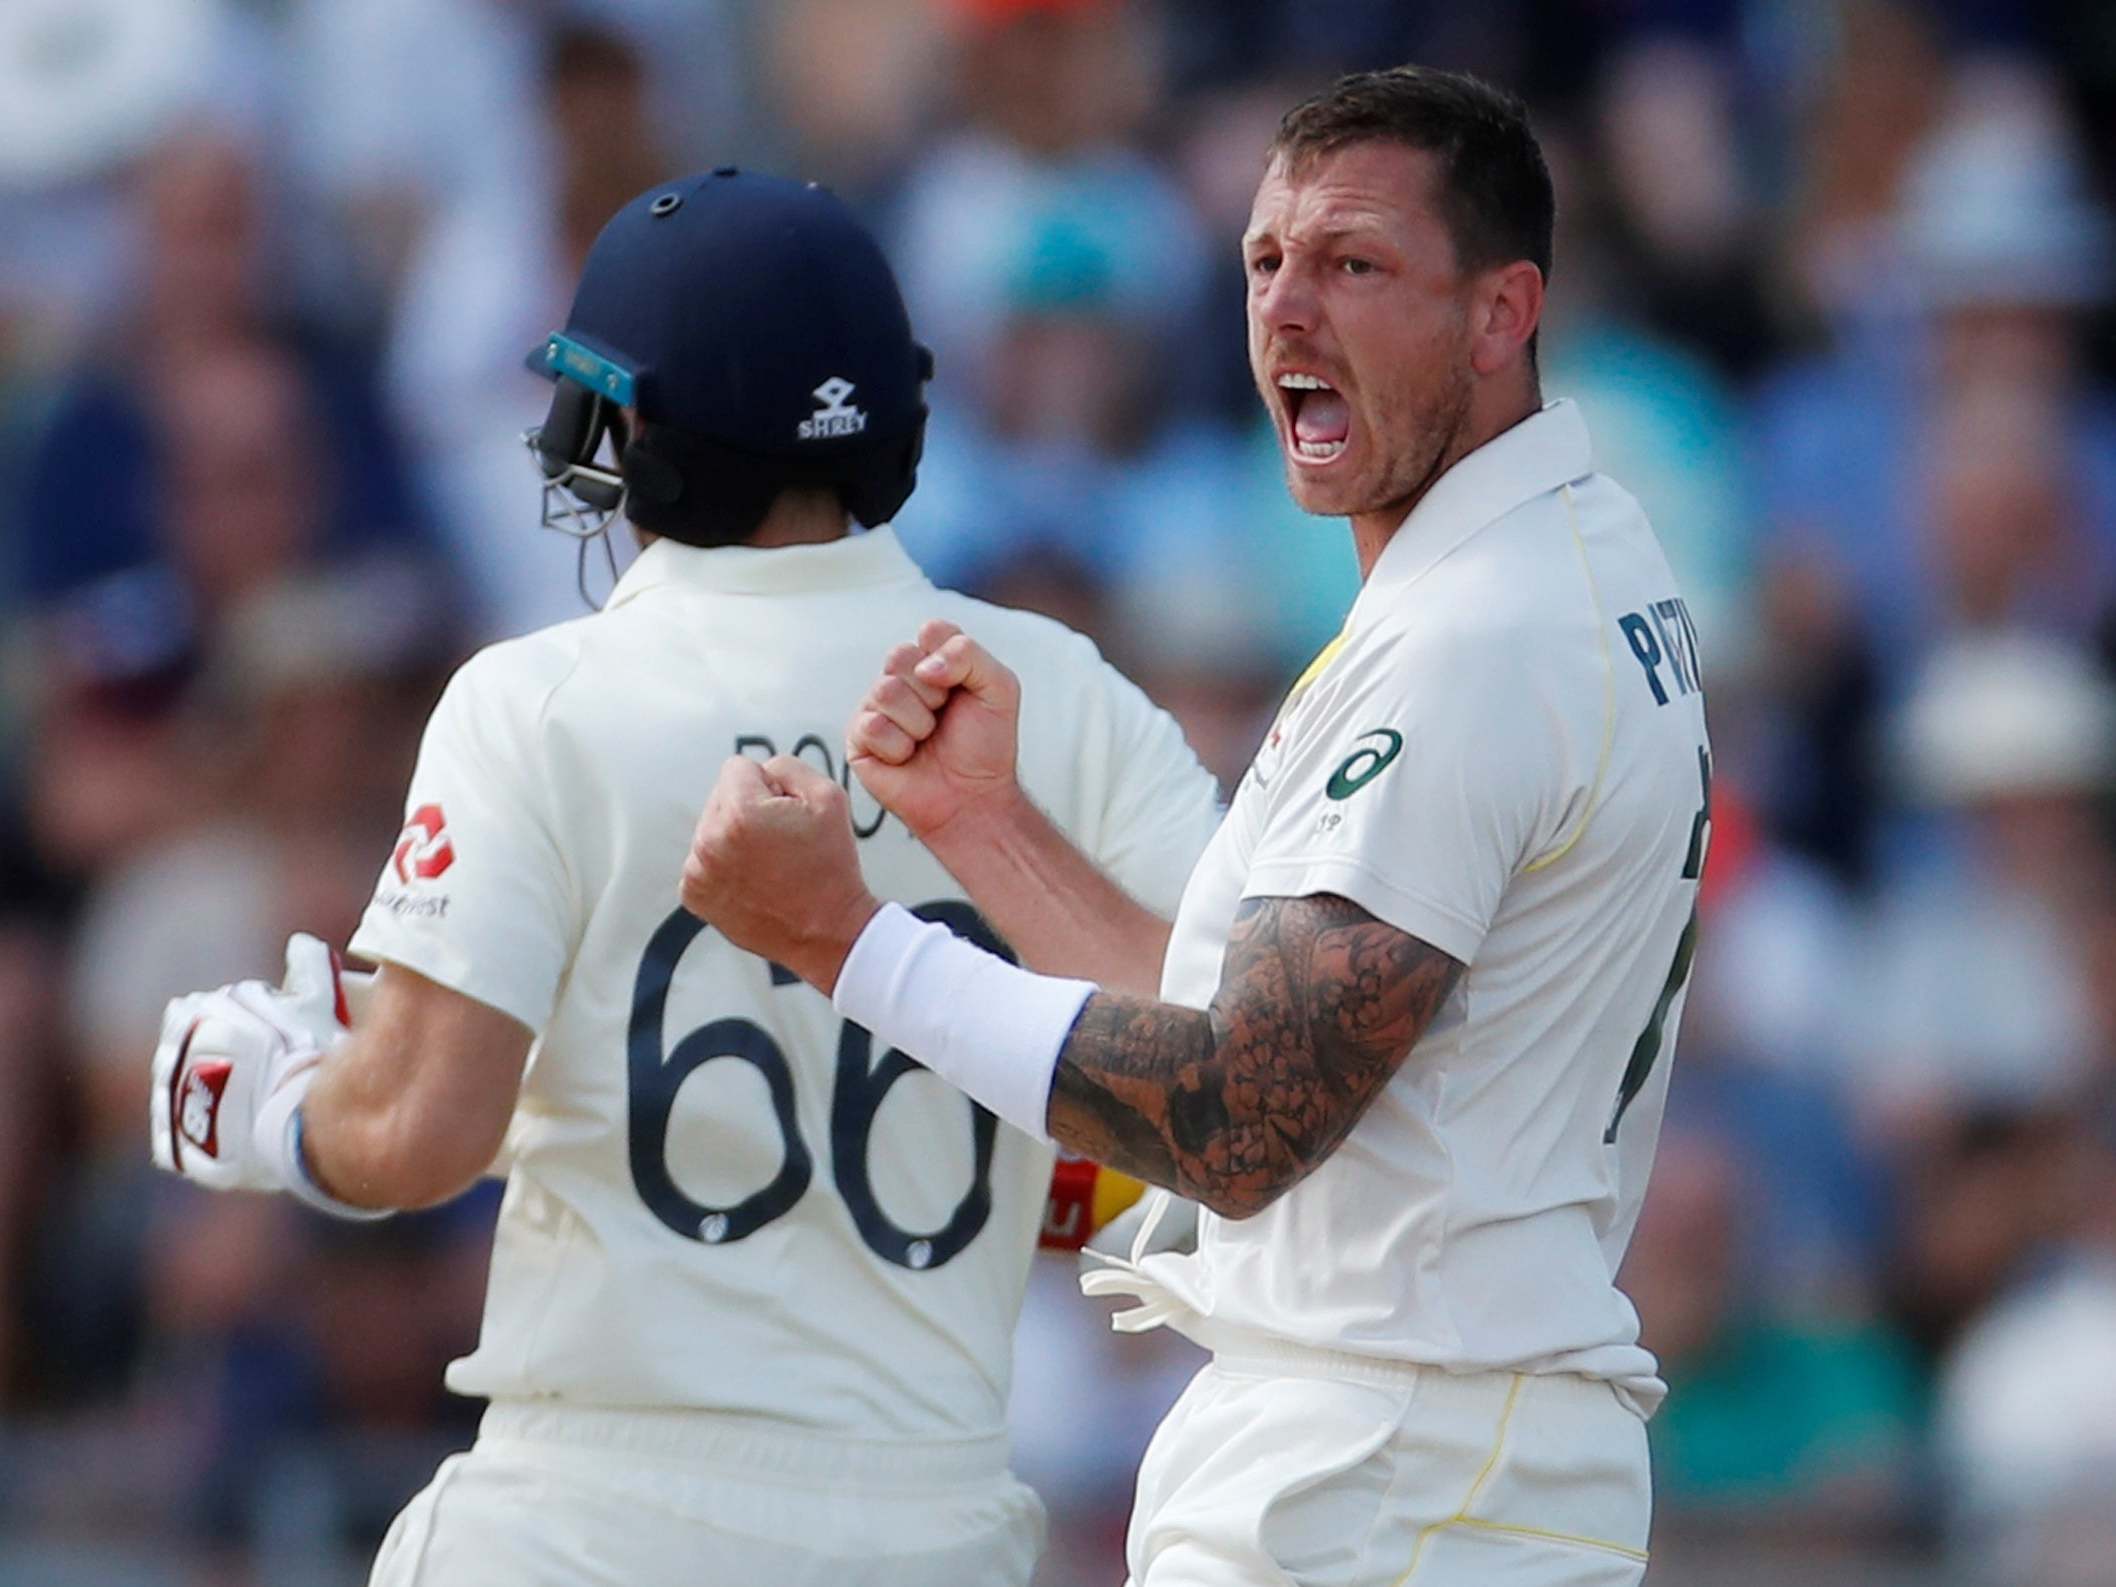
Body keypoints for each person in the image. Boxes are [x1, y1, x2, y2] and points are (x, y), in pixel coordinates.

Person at [681, 66, 1712, 1587]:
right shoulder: (1565, 553)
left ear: (1504, 315)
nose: (1287, 315)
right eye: (1263, 264)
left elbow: (1237, 1120)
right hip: (1446, 1464)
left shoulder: (1474, 640)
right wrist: (986, 829)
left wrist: (842, 942)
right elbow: (1256, 1027)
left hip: (1388, 1486)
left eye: (1354, 265)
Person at [146, 169, 1222, 1586]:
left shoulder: (537, 701)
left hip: (585, 1526)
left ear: (627, 437)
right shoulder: (1068, 697)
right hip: (927, 1529)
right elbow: (1233, 1080)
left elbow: (416, 1133)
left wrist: (277, 1100)